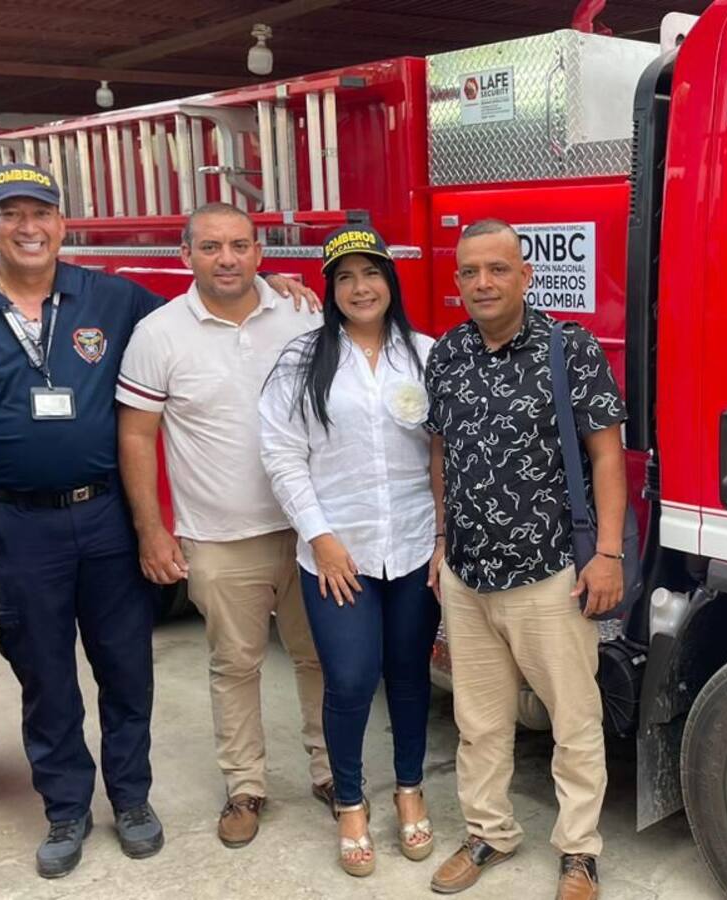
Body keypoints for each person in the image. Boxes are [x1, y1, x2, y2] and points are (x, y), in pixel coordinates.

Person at [0, 167, 316, 879]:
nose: (28, 227)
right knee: (44, 670)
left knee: (125, 665)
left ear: (64, 225)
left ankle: (131, 800)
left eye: (42, 214)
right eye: (13, 215)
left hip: (105, 518)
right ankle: (65, 809)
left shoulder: (113, 299)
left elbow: (207, 300)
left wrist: (275, 284)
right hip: (16, 521)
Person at [116, 202, 331, 851]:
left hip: (308, 531)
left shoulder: (303, 313)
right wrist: (153, 532)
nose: (228, 258)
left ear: (261, 254)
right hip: (216, 537)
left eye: (240, 245)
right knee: (234, 664)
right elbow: (136, 435)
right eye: (211, 247)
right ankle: (246, 787)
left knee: (319, 657)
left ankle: (331, 772)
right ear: (187, 255)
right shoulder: (159, 333)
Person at [424, 220, 628, 900]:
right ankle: (488, 832)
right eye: (469, 272)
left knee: (573, 721)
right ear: (457, 282)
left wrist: (606, 552)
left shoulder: (568, 348)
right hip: (468, 573)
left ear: (525, 274)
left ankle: (578, 851)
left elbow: (606, 454)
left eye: (497, 269)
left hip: (551, 574)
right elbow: (440, 454)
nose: (482, 282)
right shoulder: (447, 354)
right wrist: (442, 541)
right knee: (478, 723)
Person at [259, 226, 441, 877]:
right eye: (345, 277)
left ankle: (411, 790)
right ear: (331, 290)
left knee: (410, 676)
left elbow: (444, 455)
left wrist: (444, 538)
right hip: (338, 556)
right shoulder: (302, 362)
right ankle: (351, 803)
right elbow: (282, 455)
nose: (360, 287)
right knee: (352, 679)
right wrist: (321, 535)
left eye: (371, 273)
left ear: (391, 282)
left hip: (415, 546)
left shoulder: (427, 356)